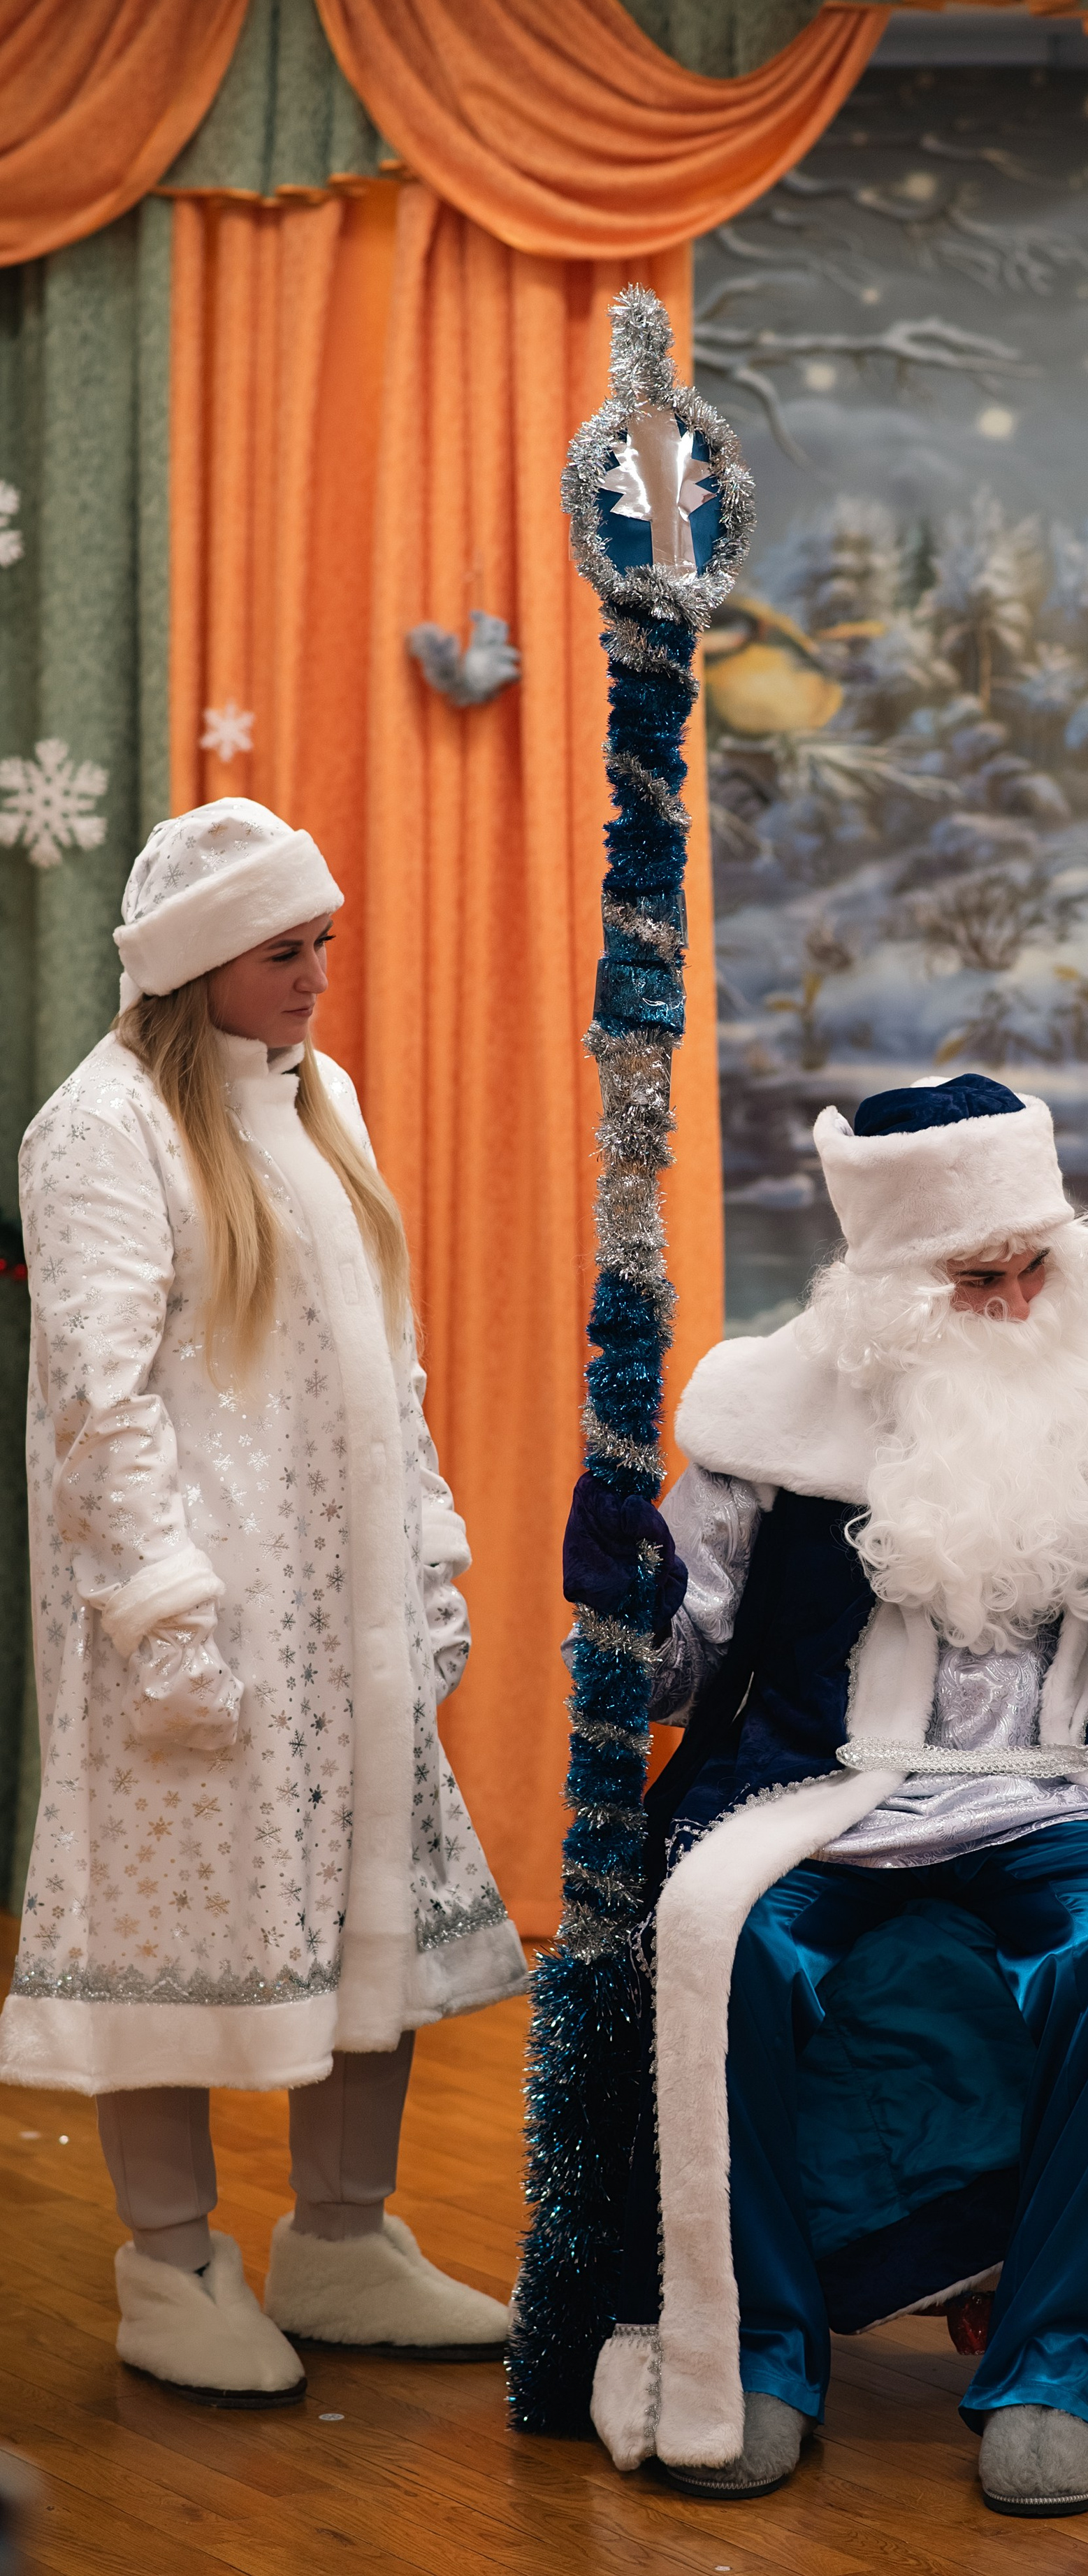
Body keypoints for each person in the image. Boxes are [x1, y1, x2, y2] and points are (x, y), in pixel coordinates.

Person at [565, 1075, 1088, 2517]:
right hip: (830, 1794)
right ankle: (759, 2349)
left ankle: (1054, 2362)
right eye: (975, 1274)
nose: (1014, 1296)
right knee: (731, 1945)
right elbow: (672, 1675)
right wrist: (624, 1596)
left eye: (1032, 1262)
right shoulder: (769, 1417)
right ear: (888, 1282)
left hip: (1062, 1796)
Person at [0, 798, 529, 2405]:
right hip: (195, 1626)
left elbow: (393, 1354)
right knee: (175, 1928)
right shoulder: (102, 1131)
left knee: (369, 1906)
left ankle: (344, 2237)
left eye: (323, 945)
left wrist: (427, 1548)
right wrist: (164, 1609)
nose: (315, 977)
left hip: (338, 1614)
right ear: (197, 967)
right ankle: (169, 2261)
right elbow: (101, 1401)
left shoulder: (320, 1101)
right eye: (283, 951)